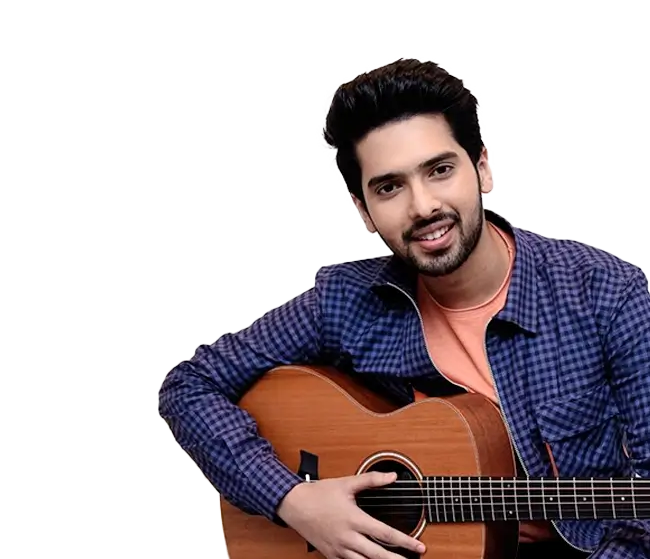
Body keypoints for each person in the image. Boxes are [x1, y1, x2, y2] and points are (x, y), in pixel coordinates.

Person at [157, 58, 650, 559]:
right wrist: (293, 499)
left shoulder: (605, 294)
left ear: (483, 167)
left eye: (439, 170)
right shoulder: (344, 303)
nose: (423, 206)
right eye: (389, 187)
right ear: (363, 209)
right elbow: (189, 386)